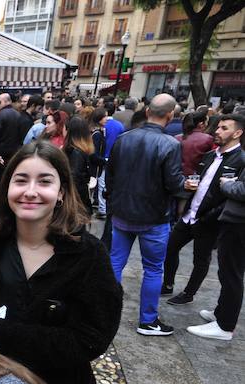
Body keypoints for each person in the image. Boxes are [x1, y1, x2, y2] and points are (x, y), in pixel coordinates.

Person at [0, 140, 122, 384]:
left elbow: (91, 339)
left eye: (45, 181)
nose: (30, 191)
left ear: (61, 192)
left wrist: (2, 331)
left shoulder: (88, 255)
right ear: (7, 187)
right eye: (21, 180)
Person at [105, 94, 187, 336]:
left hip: (123, 212)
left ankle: (105, 311)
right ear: (170, 115)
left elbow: (110, 175)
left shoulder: (124, 138)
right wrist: (186, 186)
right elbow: (174, 183)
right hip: (154, 218)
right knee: (153, 268)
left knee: (115, 262)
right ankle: (148, 320)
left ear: (148, 110)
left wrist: (112, 201)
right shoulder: (170, 144)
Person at [162, 114, 244, 307]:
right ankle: (167, 283)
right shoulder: (209, 155)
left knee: (201, 259)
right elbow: (200, 180)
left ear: (237, 133)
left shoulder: (241, 160)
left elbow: (234, 196)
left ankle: (189, 293)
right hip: (190, 214)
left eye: (224, 128)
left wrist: (210, 217)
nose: (217, 131)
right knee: (169, 248)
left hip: (211, 220)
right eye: (218, 127)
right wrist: (190, 186)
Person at [188, 162, 245, 340]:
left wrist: (227, 184)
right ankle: (221, 314)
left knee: (231, 274)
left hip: (239, 223)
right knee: (227, 271)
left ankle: (225, 326)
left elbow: (242, 191)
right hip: (236, 221)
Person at [63, 116, 100, 215]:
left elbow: (74, 177)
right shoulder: (79, 151)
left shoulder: (75, 152)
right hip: (78, 200)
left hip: (75, 202)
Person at [176, 111, 215, 176]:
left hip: (178, 175)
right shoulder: (208, 139)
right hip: (197, 176)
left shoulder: (177, 138)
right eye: (206, 122)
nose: (207, 125)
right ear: (201, 124)